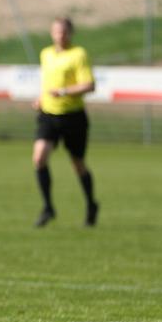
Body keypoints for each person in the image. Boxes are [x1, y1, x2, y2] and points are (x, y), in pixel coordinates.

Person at [32, 17, 98, 228]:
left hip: (73, 116)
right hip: (49, 115)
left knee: (78, 164)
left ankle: (91, 205)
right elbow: (47, 82)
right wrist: (42, 98)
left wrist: (63, 92)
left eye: (64, 32)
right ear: (52, 33)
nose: (60, 35)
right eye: (56, 31)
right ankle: (48, 207)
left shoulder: (78, 54)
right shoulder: (46, 54)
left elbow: (89, 85)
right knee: (39, 157)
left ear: (71, 33)